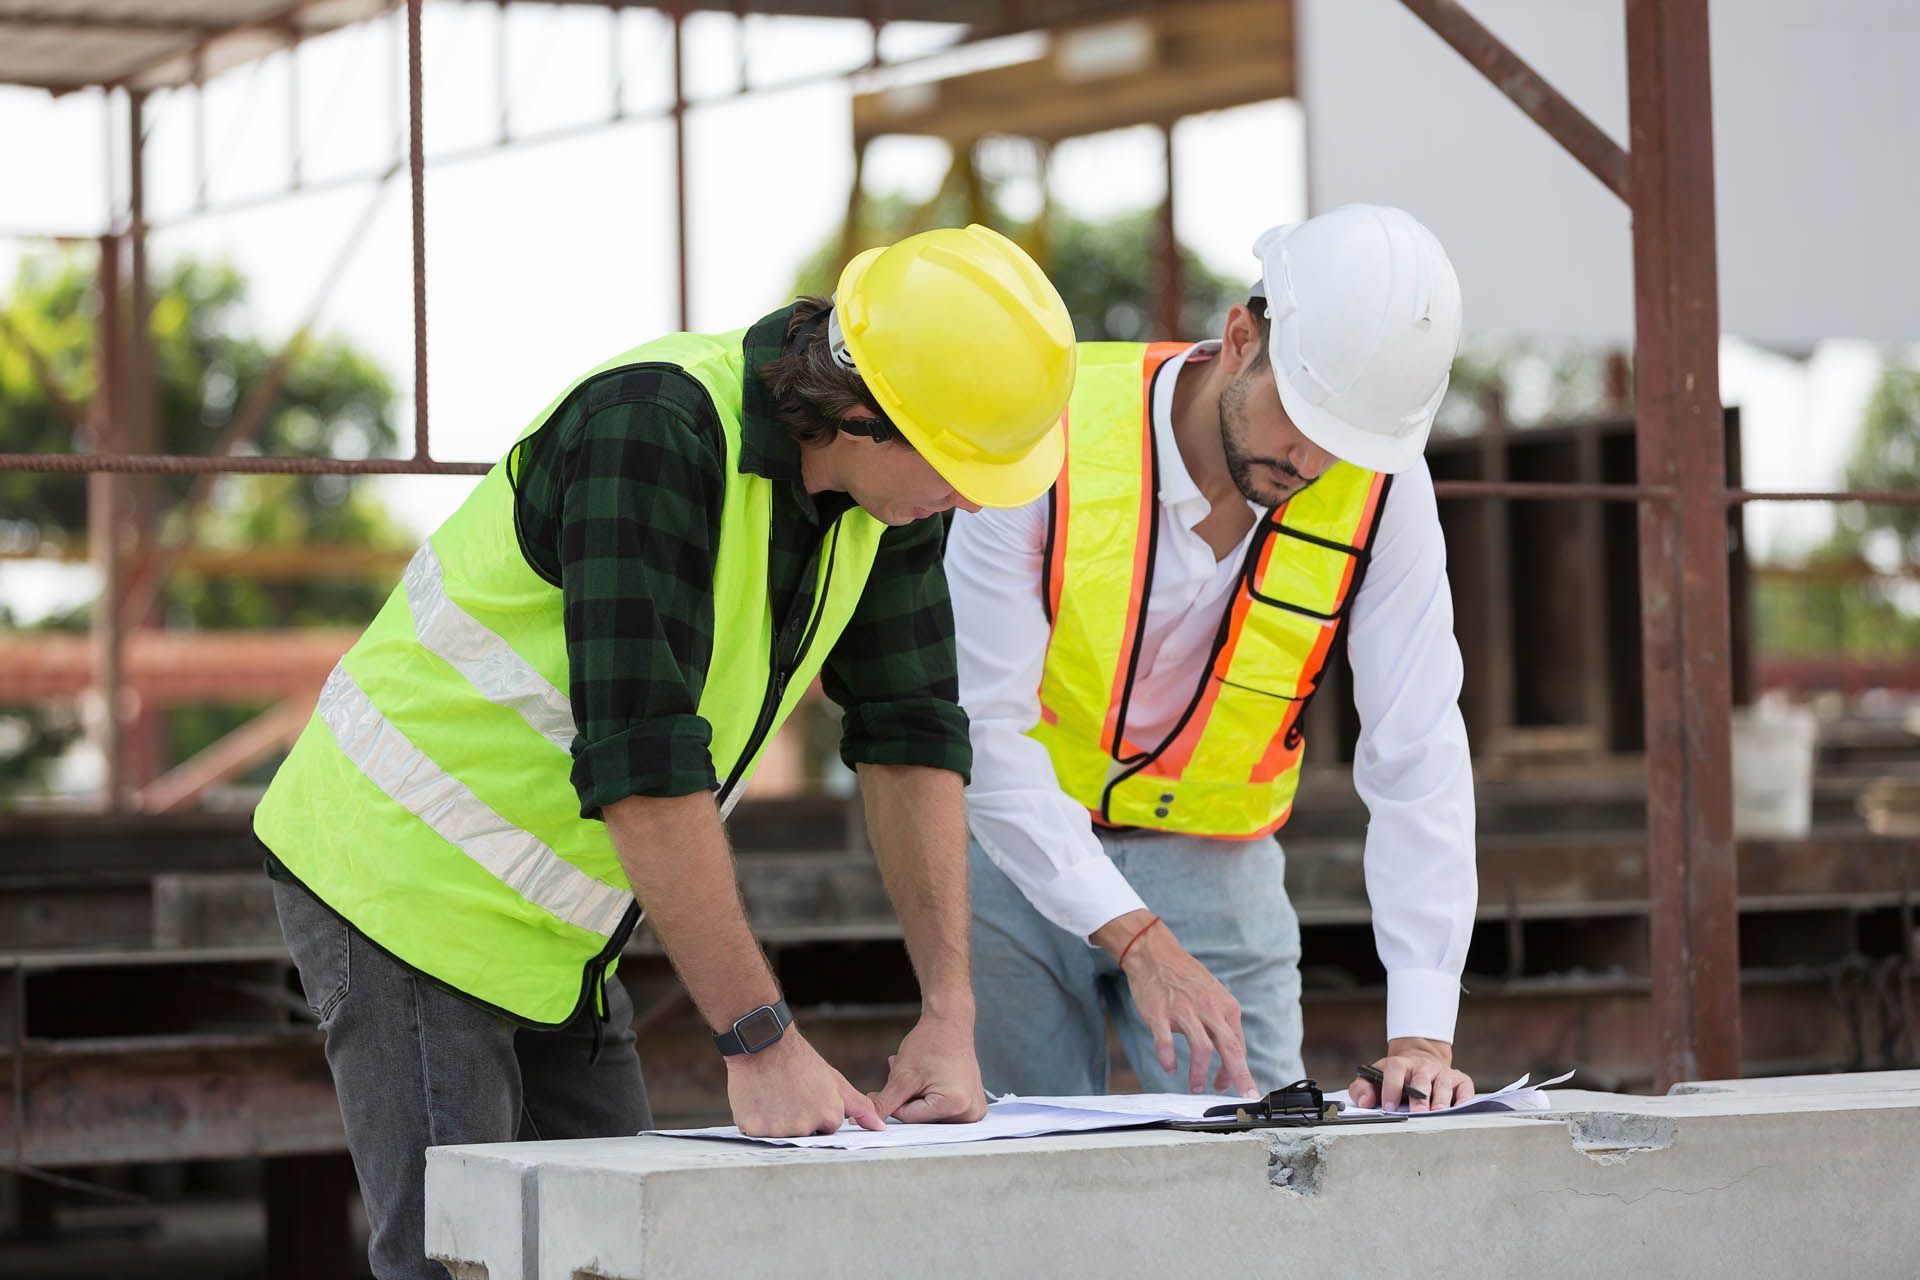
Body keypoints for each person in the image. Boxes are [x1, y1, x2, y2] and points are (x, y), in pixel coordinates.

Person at [254, 224, 1076, 1280]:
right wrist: (762, 1040)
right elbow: (645, 765)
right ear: (865, 412)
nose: (971, 498)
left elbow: (912, 736)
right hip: (396, 881)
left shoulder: (888, 495)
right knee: (458, 1259)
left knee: (621, 1253)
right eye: (961, 467)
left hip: (559, 930)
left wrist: (950, 1014)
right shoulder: (649, 431)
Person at [948, 204, 1478, 1113]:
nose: (1315, 459)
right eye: (1301, 415)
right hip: (1014, 853)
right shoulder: (1051, 431)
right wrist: (1142, 943)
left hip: (1219, 863)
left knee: (1268, 1174)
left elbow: (1418, 744)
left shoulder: (1385, 487)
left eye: (1348, 440)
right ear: (1240, 338)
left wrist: (1422, 1029)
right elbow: (981, 727)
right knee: (1012, 1170)